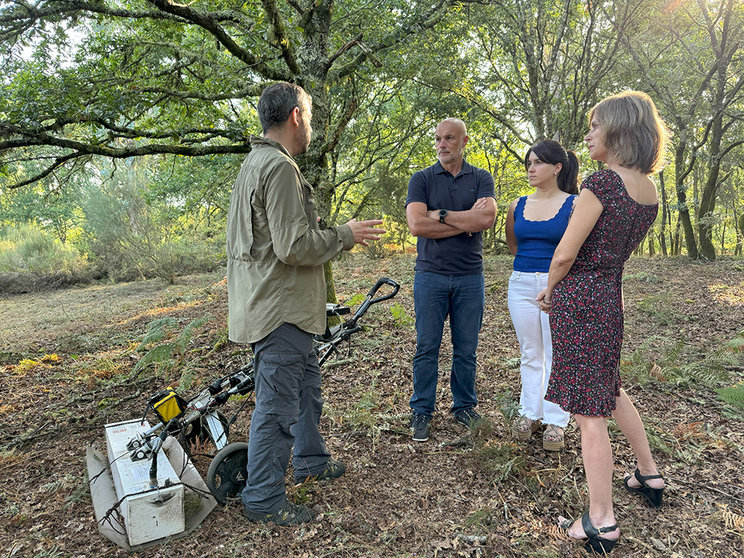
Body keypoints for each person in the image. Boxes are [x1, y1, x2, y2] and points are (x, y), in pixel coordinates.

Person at [226, 82, 385, 526]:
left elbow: (269, 238)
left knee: (306, 391)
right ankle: (262, 498)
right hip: (279, 311)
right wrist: (344, 235)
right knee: (276, 408)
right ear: (296, 116)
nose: (311, 126)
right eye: (310, 117)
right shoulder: (277, 168)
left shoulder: (255, 163)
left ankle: (312, 460)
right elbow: (292, 247)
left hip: (274, 307)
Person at [537, 91, 669, 554]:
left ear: (619, 131)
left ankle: (601, 520)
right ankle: (649, 474)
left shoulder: (602, 184)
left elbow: (566, 252)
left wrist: (552, 289)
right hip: (609, 298)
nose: (589, 133)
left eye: (596, 125)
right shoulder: (648, 189)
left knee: (589, 413)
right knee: (608, 387)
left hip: (580, 300)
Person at [405, 117, 497, 442]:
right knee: (426, 347)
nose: (442, 144)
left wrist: (440, 214)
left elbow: (487, 217)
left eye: (449, 138)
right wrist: (466, 222)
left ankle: (464, 407)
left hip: (470, 277)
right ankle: (422, 411)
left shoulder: (481, 177)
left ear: (464, 141)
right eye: (438, 139)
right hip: (430, 276)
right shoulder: (422, 179)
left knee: (466, 348)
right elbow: (416, 225)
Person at [505, 139, 579, 451]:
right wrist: (531, 275)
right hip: (520, 283)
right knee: (531, 352)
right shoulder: (517, 205)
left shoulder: (575, 204)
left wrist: (550, 282)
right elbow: (513, 244)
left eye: (537, 163)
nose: (530, 169)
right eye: (529, 163)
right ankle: (529, 412)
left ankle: (557, 421)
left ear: (557, 167)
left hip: (559, 284)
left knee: (556, 353)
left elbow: (576, 250)